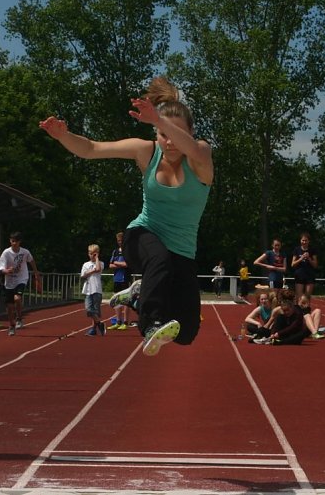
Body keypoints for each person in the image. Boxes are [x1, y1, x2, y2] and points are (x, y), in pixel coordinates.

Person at [40, 75, 213, 356]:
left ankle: (138, 294)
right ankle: (149, 323)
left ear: (191, 132)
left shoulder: (200, 156)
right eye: (162, 135)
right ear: (155, 135)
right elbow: (92, 148)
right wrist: (63, 136)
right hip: (142, 235)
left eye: (175, 133)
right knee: (159, 259)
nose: (170, 142)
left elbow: (191, 148)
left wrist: (159, 120)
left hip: (182, 251)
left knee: (186, 333)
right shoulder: (146, 152)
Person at [0, 231, 40, 336]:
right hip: (9, 281)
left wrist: (36, 273)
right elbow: (0, 268)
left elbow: (31, 261)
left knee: (17, 298)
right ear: (10, 241)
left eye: (16, 241)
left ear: (19, 242)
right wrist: (6, 271)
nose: (14, 243)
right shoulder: (6, 253)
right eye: (12, 241)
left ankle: (19, 318)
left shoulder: (25, 252)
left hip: (21, 278)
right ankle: (11, 326)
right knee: (10, 306)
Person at [80, 244, 105, 337]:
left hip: (97, 289)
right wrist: (92, 271)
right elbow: (83, 275)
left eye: (93, 254)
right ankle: (99, 323)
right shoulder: (86, 264)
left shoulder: (100, 263)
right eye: (90, 253)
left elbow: (98, 269)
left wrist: (97, 258)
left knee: (96, 310)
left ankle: (94, 329)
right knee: (88, 309)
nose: (91, 256)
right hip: (88, 289)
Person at [108, 232, 130, 329]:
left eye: (121, 240)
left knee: (125, 300)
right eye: (118, 241)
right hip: (116, 279)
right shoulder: (115, 251)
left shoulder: (128, 251)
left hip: (125, 278)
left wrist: (116, 263)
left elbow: (127, 264)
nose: (120, 242)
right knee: (116, 300)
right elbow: (110, 265)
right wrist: (120, 264)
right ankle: (118, 321)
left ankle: (125, 322)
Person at [291, 232, 318, 300]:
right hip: (299, 275)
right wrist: (301, 258)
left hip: (310, 275)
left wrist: (309, 258)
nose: (304, 242)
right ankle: (299, 307)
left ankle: (307, 307)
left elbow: (315, 265)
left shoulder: (312, 250)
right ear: (300, 241)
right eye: (303, 240)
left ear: (309, 241)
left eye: (306, 240)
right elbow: (293, 264)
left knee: (307, 297)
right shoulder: (297, 250)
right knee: (299, 297)